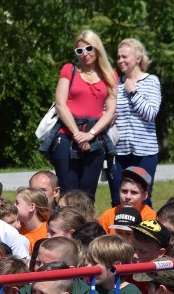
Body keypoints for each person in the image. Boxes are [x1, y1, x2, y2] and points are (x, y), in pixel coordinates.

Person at [46, 30, 117, 203]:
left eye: (89, 49)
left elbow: (110, 111)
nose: (85, 54)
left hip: (95, 137)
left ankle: (85, 229)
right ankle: (63, 228)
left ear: (98, 49)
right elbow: (61, 104)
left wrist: (90, 134)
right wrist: (77, 134)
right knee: (68, 192)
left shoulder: (110, 75)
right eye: (80, 51)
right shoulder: (69, 70)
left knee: (88, 195)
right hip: (66, 135)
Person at [110, 39, 161, 207]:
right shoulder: (115, 84)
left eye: (125, 56)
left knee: (142, 198)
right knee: (119, 200)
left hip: (144, 152)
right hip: (119, 152)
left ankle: (144, 232)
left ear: (138, 58)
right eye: (118, 57)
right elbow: (108, 112)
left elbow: (150, 114)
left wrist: (133, 93)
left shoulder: (151, 81)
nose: (120, 61)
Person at [98, 166, 156, 232]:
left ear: (144, 196)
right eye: (124, 191)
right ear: (119, 190)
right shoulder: (107, 216)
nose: (128, 197)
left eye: (134, 192)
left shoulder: (150, 218)